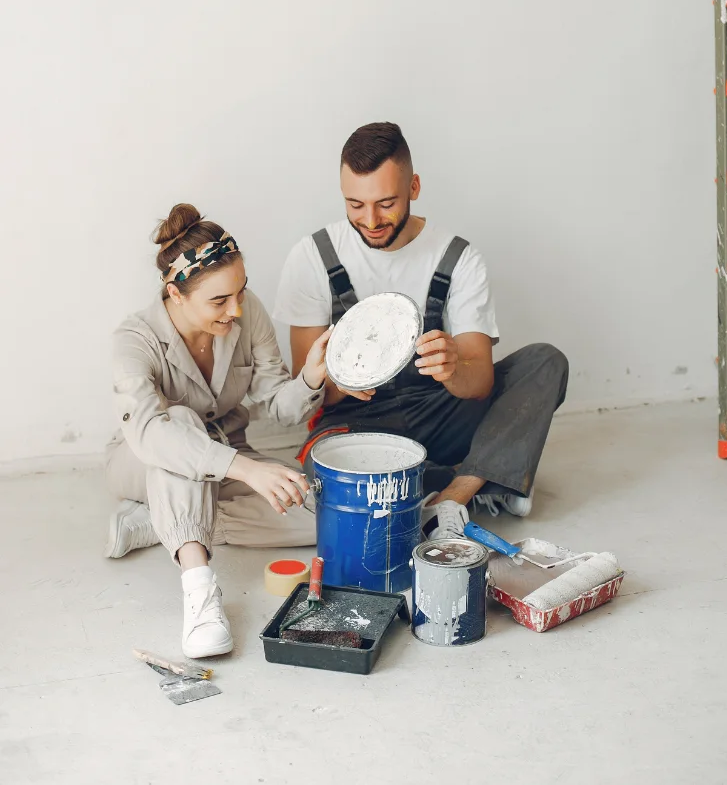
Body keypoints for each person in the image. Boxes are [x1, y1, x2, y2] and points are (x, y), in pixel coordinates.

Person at [272, 122, 569, 541]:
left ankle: (451, 497)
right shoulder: (312, 257)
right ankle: (487, 476)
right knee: (325, 467)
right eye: (355, 204)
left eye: (386, 203)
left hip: (439, 410)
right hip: (356, 424)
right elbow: (306, 389)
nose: (370, 220)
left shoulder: (458, 258)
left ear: (413, 187)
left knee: (544, 362)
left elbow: (481, 382)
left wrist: (454, 369)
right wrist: (338, 378)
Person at [105, 203, 330, 659]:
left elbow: (278, 405)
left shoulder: (246, 312)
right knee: (180, 424)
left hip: (227, 454)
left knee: (321, 514)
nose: (236, 309)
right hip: (143, 461)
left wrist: (311, 376)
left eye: (240, 291)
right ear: (175, 292)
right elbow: (151, 432)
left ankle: (164, 522)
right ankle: (200, 593)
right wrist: (248, 470)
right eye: (220, 301)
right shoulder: (134, 339)